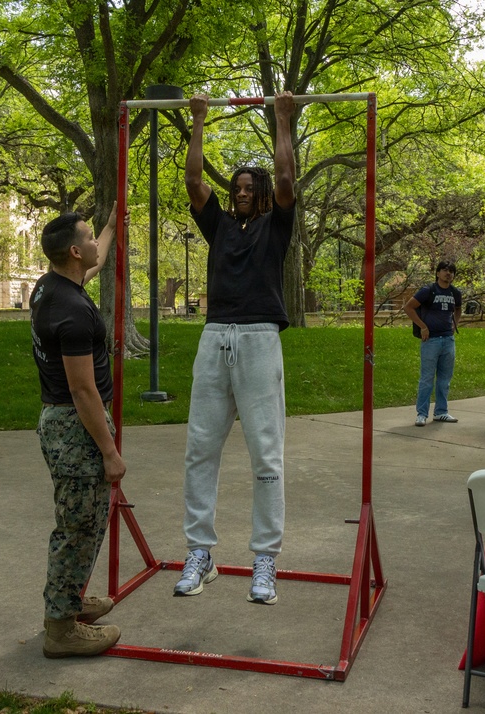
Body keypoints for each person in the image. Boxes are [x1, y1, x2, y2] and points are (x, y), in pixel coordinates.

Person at [173, 91, 296, 606]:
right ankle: (200, 552)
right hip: (215, 336)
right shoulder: (219, 225)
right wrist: (198, 120)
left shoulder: (276, 226)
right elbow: (194, 181)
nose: (242, 193)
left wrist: (283, 119)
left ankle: (264, 558)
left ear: (262, 194)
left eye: (250, 187)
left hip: (259, 339)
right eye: (238, 187)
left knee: (265, 454)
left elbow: (288, 179)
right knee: (200, 448)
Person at [30, 203, 128, 658]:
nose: (94, 244)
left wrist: (110, 227)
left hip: (61, 422)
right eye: (88, 237)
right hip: (76, 426)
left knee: (81, 521)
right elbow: (83, 390)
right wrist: (109, 451)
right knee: (78, 527)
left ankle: (67, 601)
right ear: (73, 251)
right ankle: (60, 628)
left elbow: (99, 259)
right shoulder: (71, 311)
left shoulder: (53, 287)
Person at [404, 260, 462, 427]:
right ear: (437, 273)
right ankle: (422, 414)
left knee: (445, 379)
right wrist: (423, 326)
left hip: (448, 340)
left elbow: (458, 309)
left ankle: (441, 412)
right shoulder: (428, 291)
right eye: (444, 270)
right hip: (431, 341)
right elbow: (409, 307)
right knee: (427, 378)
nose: (448, 273)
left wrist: (454, 324)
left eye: (451, 271)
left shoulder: (455, 293)